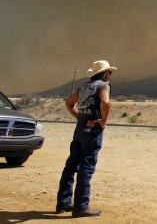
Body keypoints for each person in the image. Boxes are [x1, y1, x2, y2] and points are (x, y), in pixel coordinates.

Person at [56, 60, 116, 217]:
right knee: (86, 168)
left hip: (79, 129)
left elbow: (69, 103)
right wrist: (102, 122)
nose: (110, 76)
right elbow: (106, 102)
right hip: (92, 131)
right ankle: (81, 206)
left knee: (71, 166)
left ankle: (63, 203)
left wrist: (80, 118)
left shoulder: (83, 87)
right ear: (104, 74)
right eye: (109, 73)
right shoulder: (103, 85)